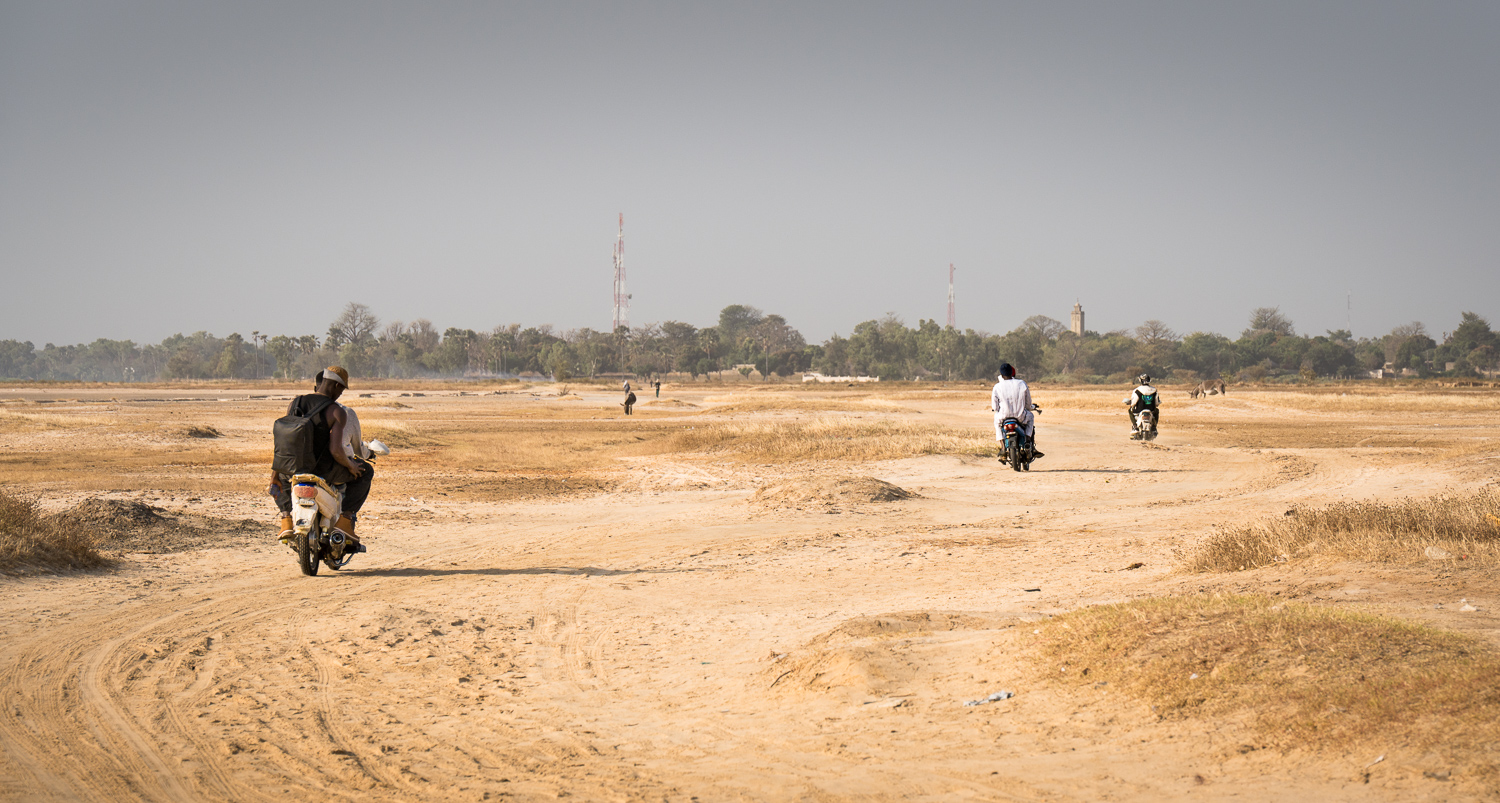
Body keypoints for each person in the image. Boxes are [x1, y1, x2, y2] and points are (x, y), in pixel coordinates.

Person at [269, 366, 375, 549]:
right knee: (366, 471)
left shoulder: (295, 403)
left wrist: (275, 476)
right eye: (341, 389)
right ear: (335, 385)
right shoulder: (336, 412)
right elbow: (336, 450)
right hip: (325, 471)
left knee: (278, 485)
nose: (341, 394)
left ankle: (286, 518)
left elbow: (285, 445)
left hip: (294, 468)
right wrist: (351, 466)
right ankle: (345, 521)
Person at [991, 363, 1043, 460]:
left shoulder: (997, 387)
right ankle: (1028, 441)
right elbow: (1028, 404)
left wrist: (999, 410)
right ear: (1012, 373)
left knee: (996, 422)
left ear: (1001, 375)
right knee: (1031, 417)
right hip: (1020, 416)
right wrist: (1028, 407)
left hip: (1003, 416)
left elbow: (995, 407)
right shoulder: (1021, 383)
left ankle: (1002, 448)